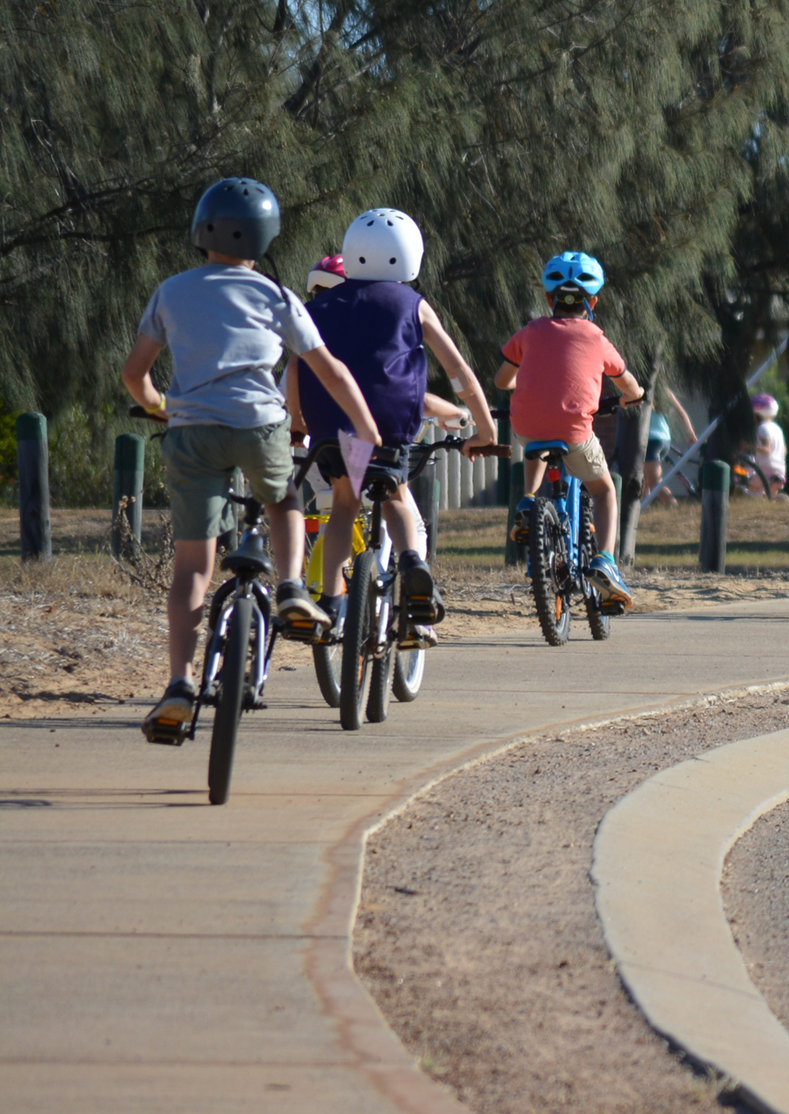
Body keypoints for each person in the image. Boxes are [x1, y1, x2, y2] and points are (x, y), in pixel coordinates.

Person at [121, 178, 384, 744]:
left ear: (201, 229)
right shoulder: (277, 296)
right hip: (259, 425)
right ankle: (291, 588)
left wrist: (160, 407)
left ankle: (179, 686)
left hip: (192, 431)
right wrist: (366, 427)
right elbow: (328, 369)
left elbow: (134, 373)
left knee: (193, 565)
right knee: (284, 499)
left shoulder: (171, 291)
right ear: (266, 239)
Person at [289, 211, 496, 650]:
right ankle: (413, 563)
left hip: (336, 426)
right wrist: (485, 426)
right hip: (387, 426)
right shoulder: (412, 304)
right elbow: (457, 370)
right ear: (412, 257)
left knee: (344, 502)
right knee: (396, 494)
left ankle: (331, 602)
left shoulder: (319, 307)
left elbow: (297, 363)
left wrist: (297, 420)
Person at [495, 250, 644, 610]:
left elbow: (502, 380)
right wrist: (632, 397)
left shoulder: (529, 332)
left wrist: (525, 385)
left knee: (537, 441)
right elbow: (630, 385)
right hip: (576, 431)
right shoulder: (596, 337)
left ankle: (529, 502)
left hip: (527, 425)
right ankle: (605, 562)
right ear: (593, 301)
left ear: (549, 299)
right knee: (605, 490)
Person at [744, 393, 788, 500]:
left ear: (756, 414)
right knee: (771, 497)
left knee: (748, 488)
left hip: (765, 473)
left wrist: (748, 446)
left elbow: (766, 449)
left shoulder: (762, 428)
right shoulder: (777, 429)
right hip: (780, 473)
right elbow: (785, 450)